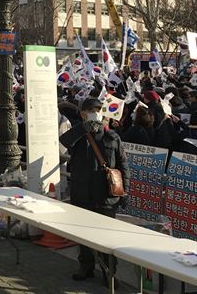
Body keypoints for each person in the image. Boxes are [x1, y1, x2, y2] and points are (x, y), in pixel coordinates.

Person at [60, 97, 130, 286]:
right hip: (82, 194)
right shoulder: (78, 134)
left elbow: (123, 166)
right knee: (84, 235)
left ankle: (109, 272)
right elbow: (63, 141)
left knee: (107, 238)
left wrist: (125, 192)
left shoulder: (111, 136)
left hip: (106, 196)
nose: (95, 112)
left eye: (98, 109)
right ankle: (86, 267)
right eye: (91, 110)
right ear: (82, 113)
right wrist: (83, 128)